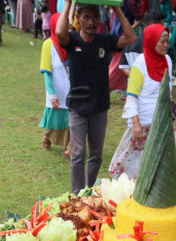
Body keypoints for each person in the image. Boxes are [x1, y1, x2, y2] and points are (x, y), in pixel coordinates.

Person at [55, 0, 136, 194]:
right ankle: (77, 194)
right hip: (77, 106)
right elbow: (59, 32)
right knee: (78, 152)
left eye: (94, 17)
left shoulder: (104, 41)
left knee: (96, 154)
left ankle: (88, 190)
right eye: (86, 17)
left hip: (99, 106)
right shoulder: (72, 39)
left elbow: (131, 37)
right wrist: (69, 3)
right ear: (79, 19)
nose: (91, 22)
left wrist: (116, 7)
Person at [108, 24, 176, 187]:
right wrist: (136, 123)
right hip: (143, 122)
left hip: (163, 121)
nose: (166, 45)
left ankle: (163, 189)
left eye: (168, 41)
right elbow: (131, 96)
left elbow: (166, 90)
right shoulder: (140, 64)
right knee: (138, 163)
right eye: (162, 41)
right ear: (151, 41)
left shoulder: (167, 60)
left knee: (166, 159)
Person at [40, 12, 71, 158]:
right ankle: (47, 135)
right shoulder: (48, 45)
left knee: (71, 119)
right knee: (54, 118)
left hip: (71, 89)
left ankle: (69, 147)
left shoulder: (72, 41)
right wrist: (52, 94)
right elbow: (47, 72)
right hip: (56, 89)